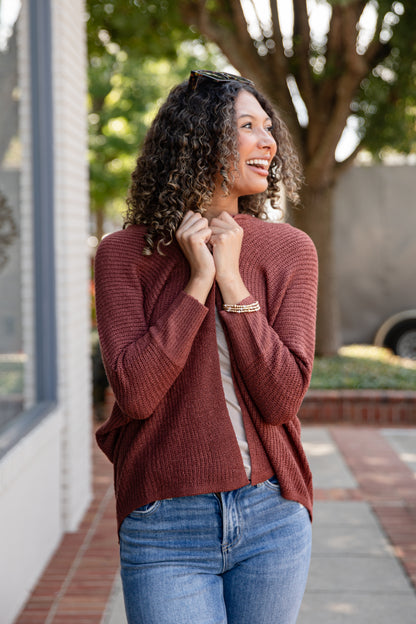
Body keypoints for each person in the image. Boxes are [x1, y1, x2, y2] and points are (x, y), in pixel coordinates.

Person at [94, 69, 318, 624]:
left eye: (269, 128)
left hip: (271, 515)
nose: (268, 141)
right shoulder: (124, 254)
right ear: (199, 140)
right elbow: (138, 394)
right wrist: (197, 281)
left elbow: (282, 398)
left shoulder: (290, 250)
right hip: (164, 522)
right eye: (248, 127)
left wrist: (232, 279)